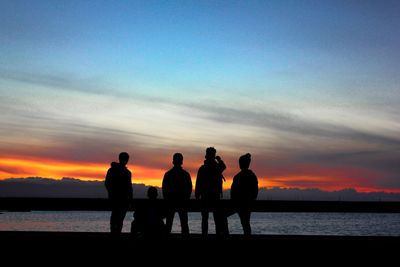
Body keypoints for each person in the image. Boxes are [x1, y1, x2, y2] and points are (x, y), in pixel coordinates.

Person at [195, 147, 229, 236]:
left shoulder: (202, 168)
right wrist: (219, 159)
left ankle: (204, 235)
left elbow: (198, 183)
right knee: (216, 219)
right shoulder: (217, 167)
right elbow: (223, 166)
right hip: (215, 196)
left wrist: (197, 195)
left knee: (205, 219)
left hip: (205, 196)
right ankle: (217, 235)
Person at [162, 153, 192, 236]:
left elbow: (164, 189)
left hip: (171, 202)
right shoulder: (186, 175)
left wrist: (167, 199)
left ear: (173, 161)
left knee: (169, 223)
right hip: (182, 202)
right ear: (182, 162)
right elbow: (189, 188)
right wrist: (186, 198)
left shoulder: (168, 174)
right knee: (184, 223)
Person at [105, 152, 133, 235]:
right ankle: (116, 234)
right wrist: (130, 198)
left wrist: (111, 193)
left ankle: (115, 234)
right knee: (118, 218)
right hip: (120, 198)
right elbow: (129, 187)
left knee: (116, 218)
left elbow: (107, 183)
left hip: (119, 198)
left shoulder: (113, 170)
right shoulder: (127, 172)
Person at [230, 153, 259, 235]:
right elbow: (255, 191)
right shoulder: (252, 176)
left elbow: (233, 192)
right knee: (245, 223)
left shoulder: (237, 177)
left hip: (238, 204)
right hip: (248, 203)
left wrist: (233, 201)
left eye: (240, 162)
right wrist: (252, 200)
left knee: (245, 222)